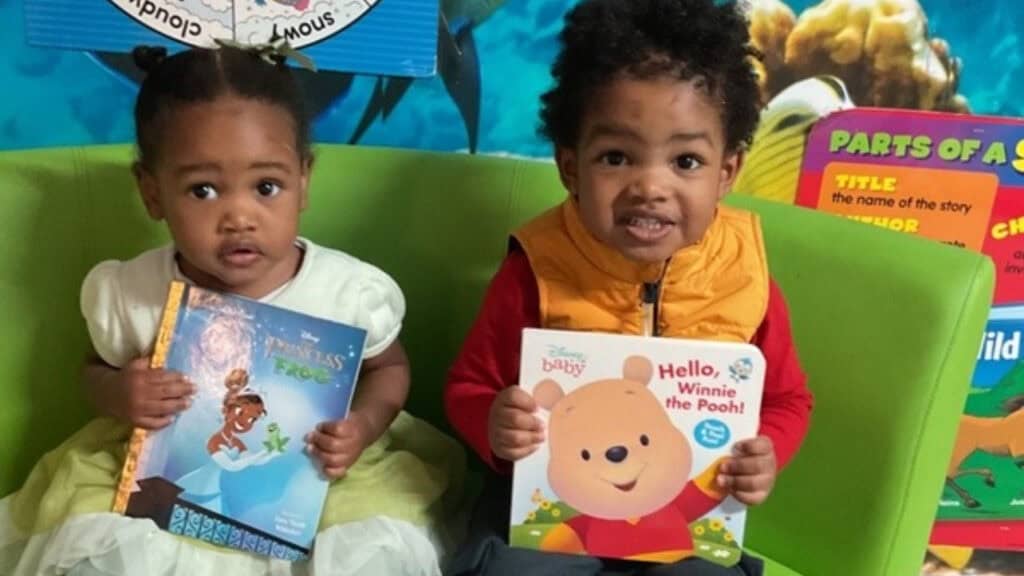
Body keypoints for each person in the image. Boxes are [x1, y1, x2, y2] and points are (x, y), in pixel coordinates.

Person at [0, 43, 463, 576]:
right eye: (202, 190)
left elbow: (390, 367)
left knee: (370, 554)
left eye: (266, 187)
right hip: (163, 474)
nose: (239, 216)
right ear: (152, 192)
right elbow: (94, 368)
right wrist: (119, 393)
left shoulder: (347, 292)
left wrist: (362, 425)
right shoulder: (134, 291)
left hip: (321, 472)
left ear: (304, 181)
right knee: (104, 551)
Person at [443, 1, 814, 574]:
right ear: (570, 167)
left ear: (727, 172)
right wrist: (495, 424)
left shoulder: (746, 275)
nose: (650, 187)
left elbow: (788, 399)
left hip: (685, 517)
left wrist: (765, 451)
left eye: (686, 161)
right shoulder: (534, 268)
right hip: (552, 510)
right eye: (616, 157)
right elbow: (470, 384)